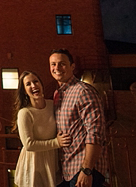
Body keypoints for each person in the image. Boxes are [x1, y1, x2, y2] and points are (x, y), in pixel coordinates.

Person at [50, 49, 109, 187]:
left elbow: (95, 132)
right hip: (68, 170)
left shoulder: (83, 91)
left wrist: (87, 170)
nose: (57, 68)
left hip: (84, 169)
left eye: (62, 64)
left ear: (72, 66)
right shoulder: (59, 95)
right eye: (53, 64)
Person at [13, 70, 71, 187]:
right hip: (33, 166)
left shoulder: (52, 105)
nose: (33, 86)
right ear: (24, 91)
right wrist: (56, 143)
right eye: (28, 84)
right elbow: (29, 145)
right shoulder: (25, 113)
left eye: (36, 81)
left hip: (52, 163)